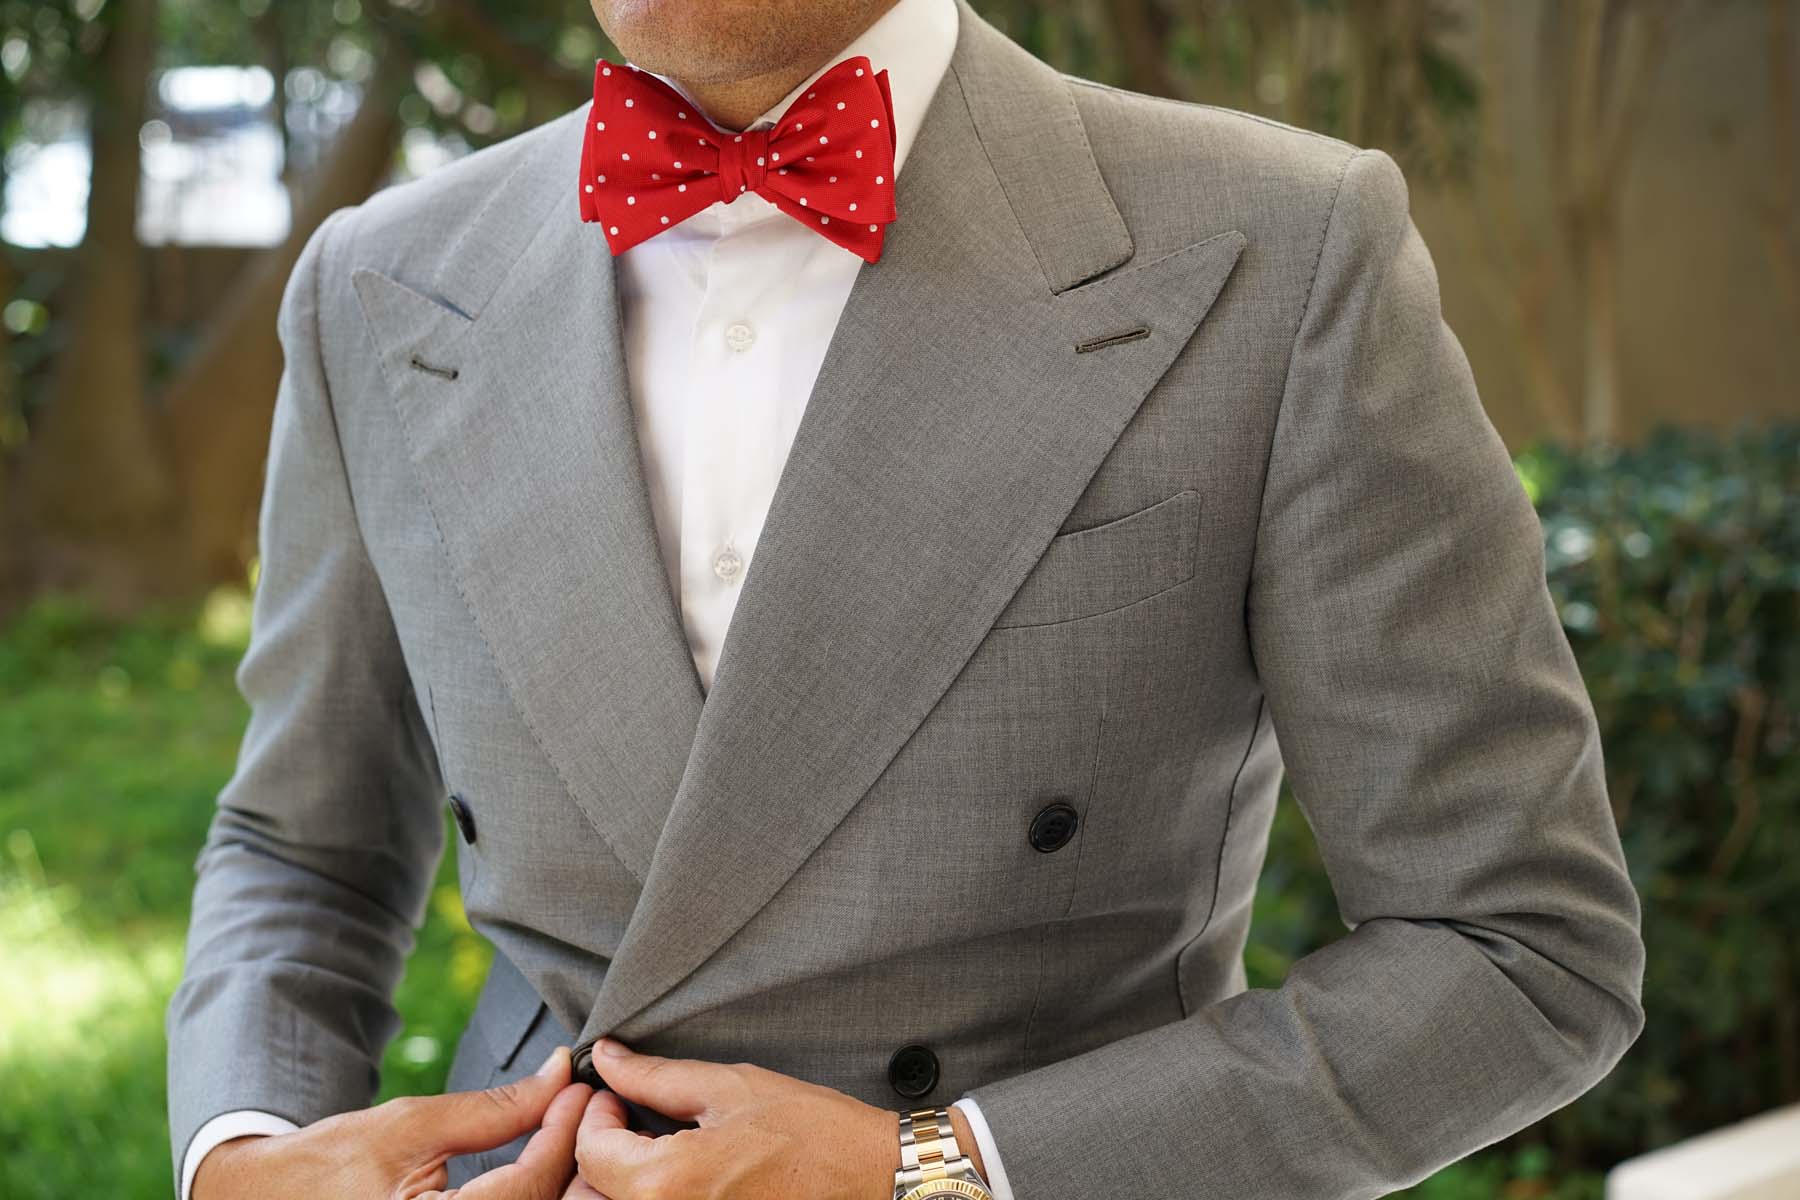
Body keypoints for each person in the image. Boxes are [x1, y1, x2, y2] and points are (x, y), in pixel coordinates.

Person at [165, 0, 1648, 1196]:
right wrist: (247, 1150)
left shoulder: (1284, 246)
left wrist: (937, 1171)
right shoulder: (381, 284)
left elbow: (1519, 947)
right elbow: (302, 850)